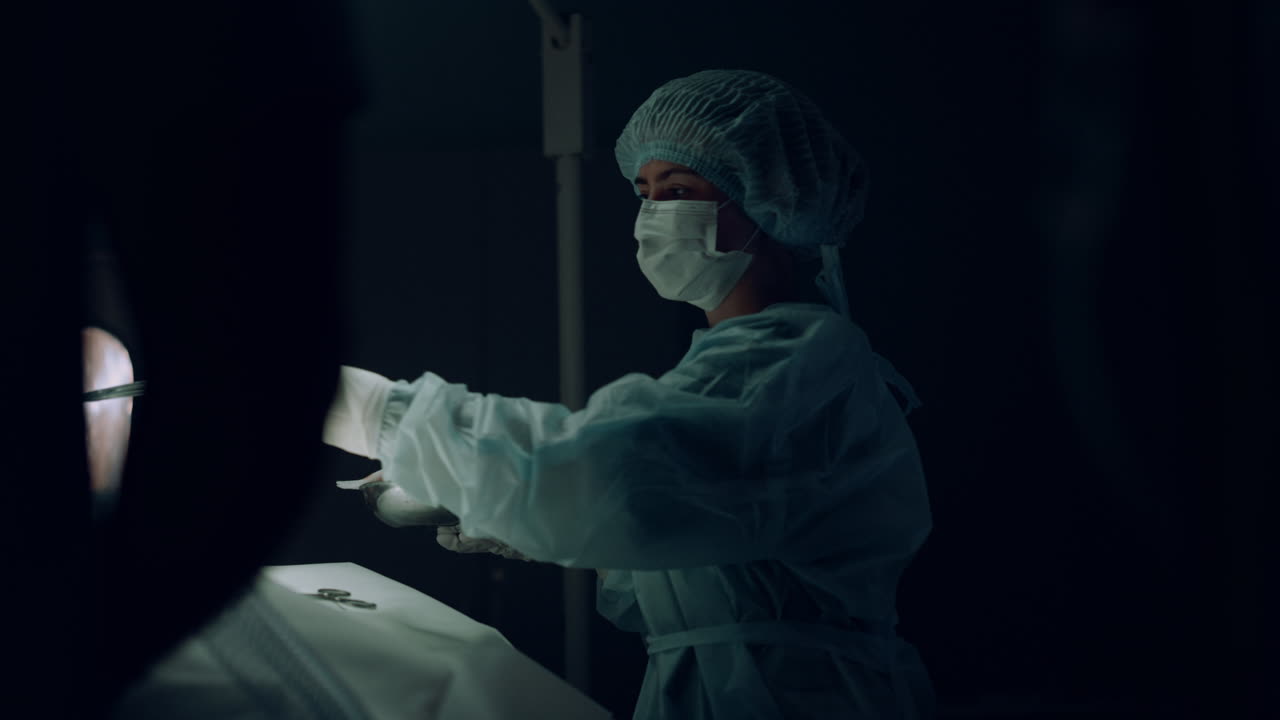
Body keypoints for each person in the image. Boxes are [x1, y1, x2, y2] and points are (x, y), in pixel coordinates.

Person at [324, 69, 934, 719]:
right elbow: (673, 536)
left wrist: (376, 412)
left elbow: (614, 473)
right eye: (644, 192)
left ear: (771, 201)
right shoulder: (743, 363)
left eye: (678, 191)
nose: (653, 215)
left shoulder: (796, 365)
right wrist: (507, 517)